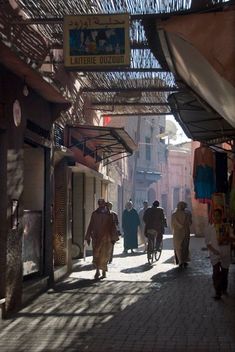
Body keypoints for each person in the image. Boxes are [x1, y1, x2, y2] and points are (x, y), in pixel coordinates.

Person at [205, 208, 234, 300]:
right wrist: (213, 251)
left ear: (222, 216)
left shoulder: (228, 227)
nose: (216, 217)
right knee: (216, 273)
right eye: (215, 215)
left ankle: (224, 289)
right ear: (212, 216)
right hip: (215, 255)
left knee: (225, 273)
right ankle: (218, 292)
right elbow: (207, 243)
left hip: (225, 253)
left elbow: (233, 239)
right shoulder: (210, 228)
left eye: (218, 215)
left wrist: (226, 238)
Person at [85, 198, 118, 280]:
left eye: (101, 204)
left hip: (104, 239)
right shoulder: (97, 214)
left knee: (103, 255)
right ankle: (98, 271)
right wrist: (88, 236)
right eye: (100, 204)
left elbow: (113, 227)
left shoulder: (109, 215)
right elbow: (91, 225)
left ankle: (102, 271)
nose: (101, 205)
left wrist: (114, 237)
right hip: (99, 238)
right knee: (99, 255)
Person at [171, 201, 192, 268]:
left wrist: (179, 226)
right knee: (184, 247)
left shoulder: (174, 214)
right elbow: (190, 223)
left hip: (178, 233)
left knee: (179, 247)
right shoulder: (188, 213)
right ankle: (183, 261)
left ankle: (181, 261)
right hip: (185, 232)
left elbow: (172, 224)